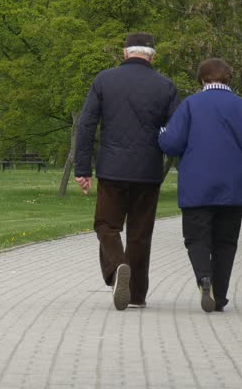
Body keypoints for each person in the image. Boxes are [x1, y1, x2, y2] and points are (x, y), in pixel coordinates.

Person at [74, 32, 180, 311]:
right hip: (148, 171)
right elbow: (176, 133)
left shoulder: (104, 80)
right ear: (152, 56)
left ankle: (118, 265)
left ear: (125, 53)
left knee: (106, 225)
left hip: (112, 169)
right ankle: (136, 295)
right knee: (140, 233)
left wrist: (83, 169)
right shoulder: (165, 86)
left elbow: (86, 125)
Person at [158, 58, 242, 313]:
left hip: (196, 188)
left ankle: (204, 278)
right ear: (229, 78)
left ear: (201, 79)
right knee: (226, 243)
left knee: (196, 238)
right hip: (233, 188)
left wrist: (161, 133)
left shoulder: (190, 105)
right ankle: (219, 297)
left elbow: (172, 144)